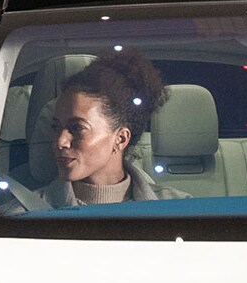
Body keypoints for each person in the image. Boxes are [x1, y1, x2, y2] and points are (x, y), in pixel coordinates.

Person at [36, 52, 188, 207]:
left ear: (120, 139)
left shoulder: (181, 210)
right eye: (55, 127)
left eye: (77, 128)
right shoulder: (24, 215)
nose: (60, 142)